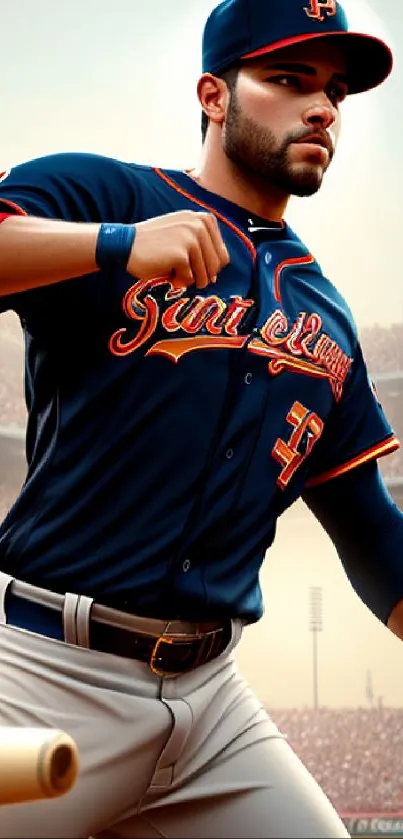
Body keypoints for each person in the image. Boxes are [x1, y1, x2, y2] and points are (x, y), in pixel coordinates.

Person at [0, 0, 401, 836]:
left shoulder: (325, 318)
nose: (321, 107)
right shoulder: (109, 192)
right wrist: (112, 244)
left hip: (212, 705)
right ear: (213, 95)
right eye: (288, 80)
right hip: (42, 672)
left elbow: (371, 534)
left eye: (333, 91)